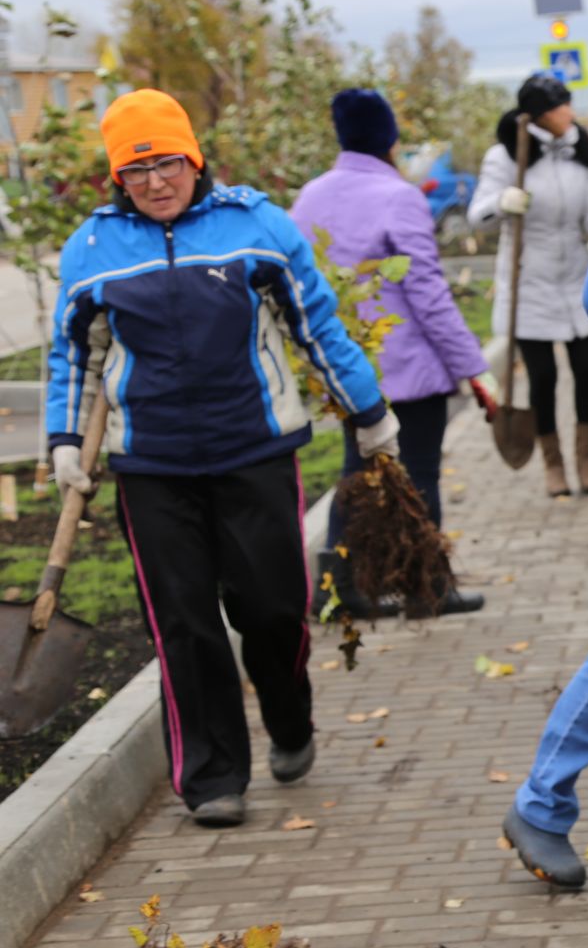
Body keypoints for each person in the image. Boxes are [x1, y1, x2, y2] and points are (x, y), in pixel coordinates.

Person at [44, 89, 398, 828]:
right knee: (184, 622)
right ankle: (212, 777)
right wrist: (64, 441)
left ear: (193, 158)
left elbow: (319, 327)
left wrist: (368, 413)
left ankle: (289, 716)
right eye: (136, 173)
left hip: (255, 450)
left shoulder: (255, 227)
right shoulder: (92, 249)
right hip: (152, 465)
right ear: (118, 179)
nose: (155, 184)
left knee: (272, 608)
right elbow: (70, 359)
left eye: (167, 164)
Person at [290, 88, 496, 618]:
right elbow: (427, 292)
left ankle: (339, 588)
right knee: (420, 471)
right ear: (390, 138)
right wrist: (472, 366)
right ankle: (426, 588)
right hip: (409, 369)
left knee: (357, 470)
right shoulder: (398, 196)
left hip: (345, 366)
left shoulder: (309, 196)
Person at [469, 74, 588, 497]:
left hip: (574, 280)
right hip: (528, 284)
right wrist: (503, 202)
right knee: (544, 377)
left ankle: (585, 457)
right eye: (560, 107)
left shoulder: (577, 153)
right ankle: (553, 464)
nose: (569, 113)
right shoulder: (505, 156)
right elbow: (479, 212)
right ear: (537, 115)